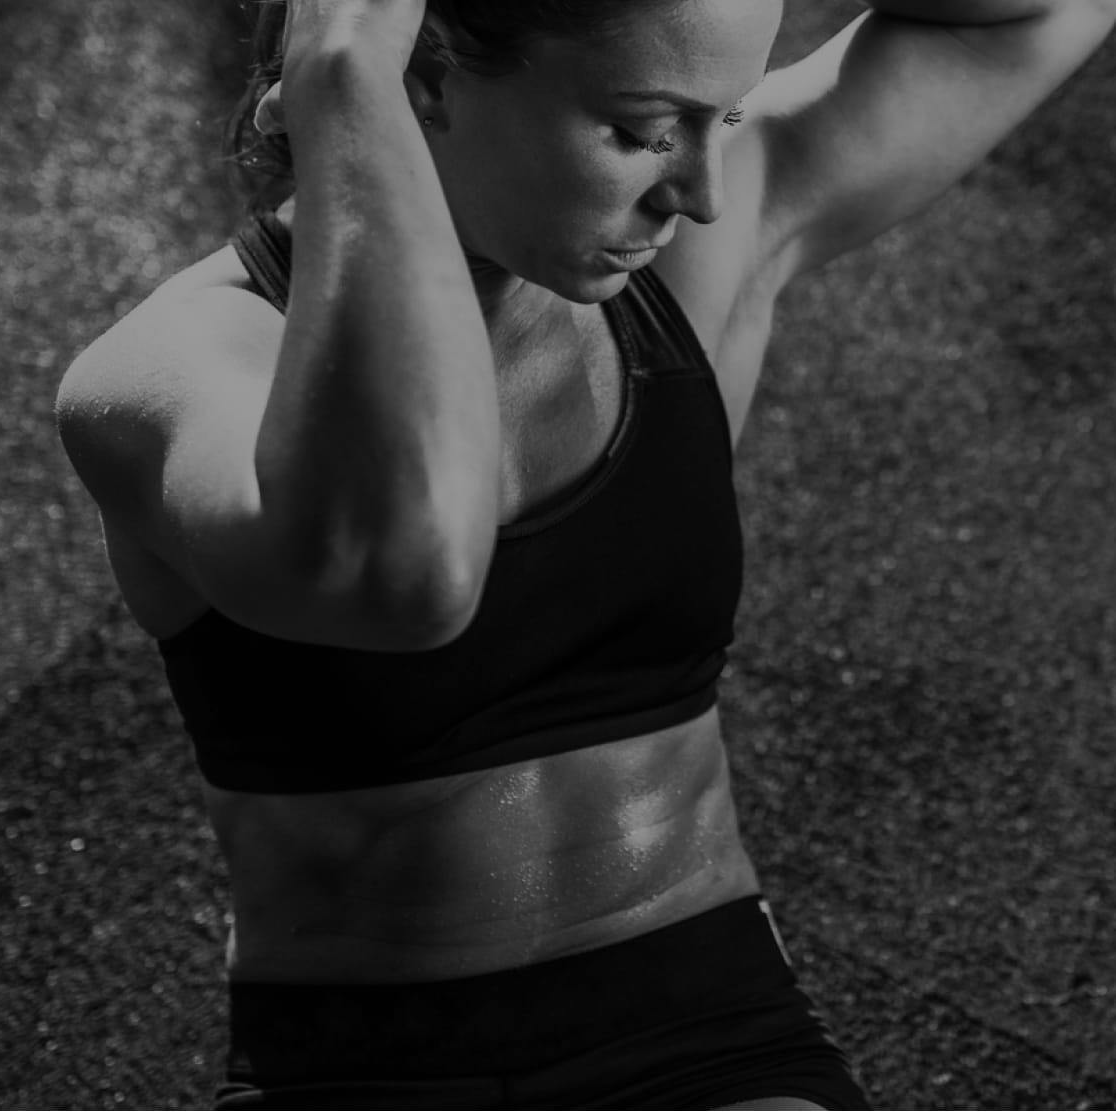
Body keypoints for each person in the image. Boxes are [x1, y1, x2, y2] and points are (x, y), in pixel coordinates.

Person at [55, 0, 1115, 1106]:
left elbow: (1024, 21)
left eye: (725, 118)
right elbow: (406, 572)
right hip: (364, 1074)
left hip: (710, 1038)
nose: (697, 190)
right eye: (643, 129)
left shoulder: (681, 271)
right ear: (420, 81)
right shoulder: (176, 367)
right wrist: (340, 72)